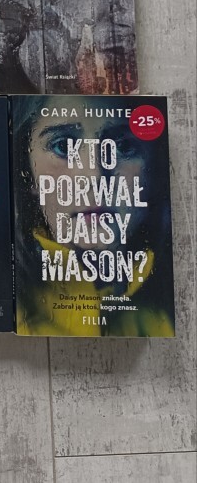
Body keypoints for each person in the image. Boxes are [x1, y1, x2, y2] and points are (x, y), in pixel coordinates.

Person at [12, 97, 174, 337]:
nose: (94, 176)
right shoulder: (1, 299)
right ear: (27, 170)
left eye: (124, 147)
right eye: (63, 146)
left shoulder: (172, 304)